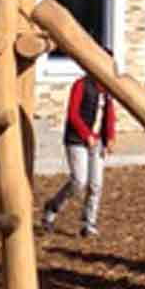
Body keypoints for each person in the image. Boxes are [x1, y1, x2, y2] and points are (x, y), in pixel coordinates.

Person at [41, 61, 116, 237]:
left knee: (95, 184)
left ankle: (88, 223)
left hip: (97, 141)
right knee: (79, 181)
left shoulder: (108, 91)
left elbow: (110, 115)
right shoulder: (81, 85)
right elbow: (73, 114)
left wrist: (111, 137)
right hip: (77, 140)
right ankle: (52, 207)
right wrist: (86, 134)